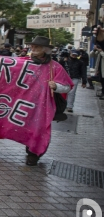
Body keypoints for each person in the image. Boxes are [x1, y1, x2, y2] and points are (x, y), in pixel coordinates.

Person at [25, 36, 73, 165]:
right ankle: (30, 149)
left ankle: (34, 154)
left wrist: (56, 86)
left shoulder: (55, 67)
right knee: (27, 129)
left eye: (37, 47)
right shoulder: (24, 63)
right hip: (26, 104)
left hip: (44, 107)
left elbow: (67, 87)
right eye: (32, 46)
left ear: (45, 50)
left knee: (39, 130)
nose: (33, 49)